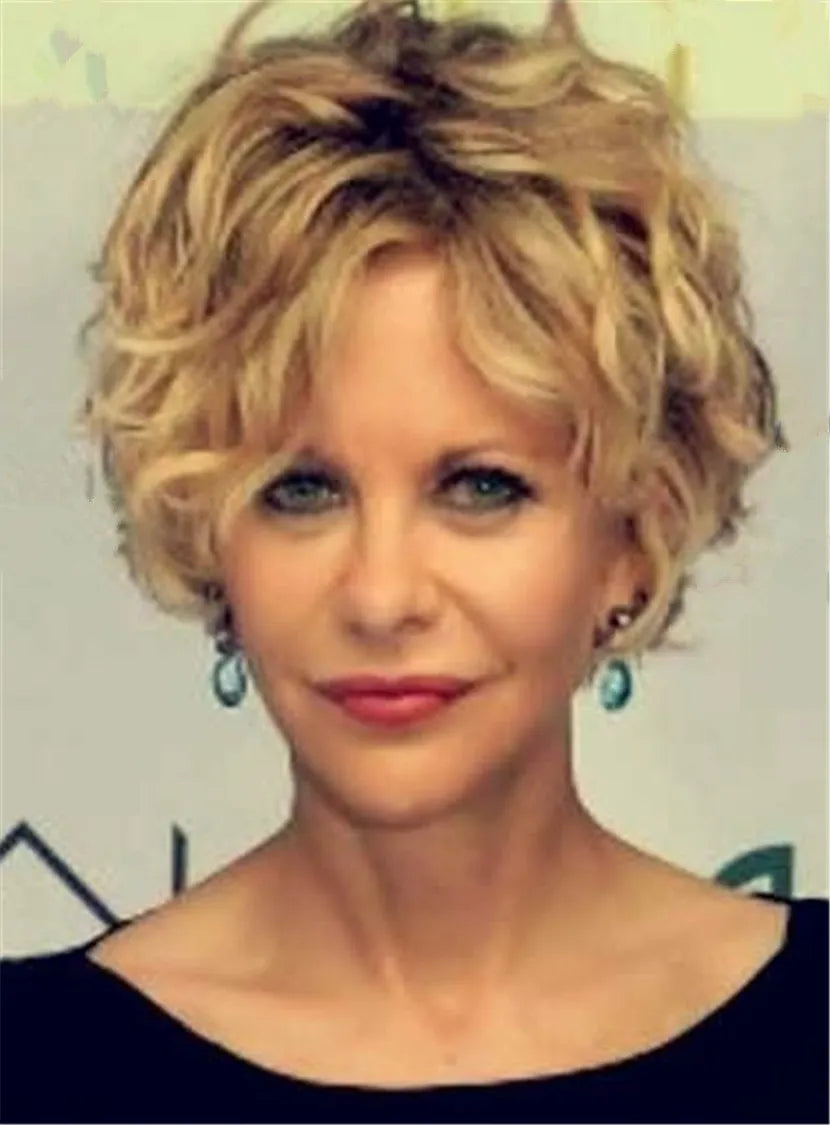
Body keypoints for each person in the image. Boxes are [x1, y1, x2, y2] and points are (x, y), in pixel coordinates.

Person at [2, 1, 826, 1122]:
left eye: (479, 487)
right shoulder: (32, 1065)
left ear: (631, 540)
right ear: (207, 534)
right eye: (301, 490)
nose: (382, 596)